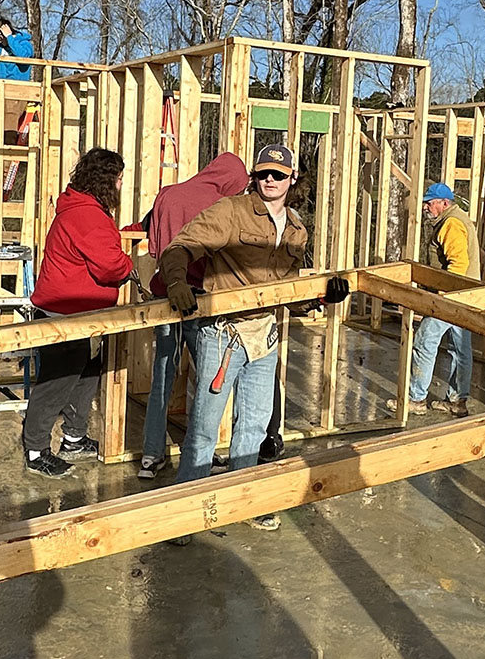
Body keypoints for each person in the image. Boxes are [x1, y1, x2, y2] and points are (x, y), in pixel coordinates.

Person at [158, 144, 348, 538]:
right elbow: (180, 246)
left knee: (255, 427)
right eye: (263, 174)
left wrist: (321, 296)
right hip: (222, 334)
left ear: (292, 179)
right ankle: (186, 509)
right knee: (204, 429)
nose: (269, 181)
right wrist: (176, 280)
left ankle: (239, 501)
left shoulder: (296, 229)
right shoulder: (231, 211)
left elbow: (287, 293)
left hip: (265, 335)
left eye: (278, 175)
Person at [138, 152, 249, 480]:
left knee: (163, 373)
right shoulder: (222, 206)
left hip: (165, 295)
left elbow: (156, 250)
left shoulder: (168, 194)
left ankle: (150, 455)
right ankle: (200, 455)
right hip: (202, 299)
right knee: (208, 381)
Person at [24, 148, 133, 478]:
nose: (120, 185)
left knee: (85, 376)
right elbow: (112, 266)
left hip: (79, 313)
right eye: (118, 179)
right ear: (106, 181)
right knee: (56, 383)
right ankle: (35, 448)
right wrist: (128, 264)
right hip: (65, 315)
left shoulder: (83, 209)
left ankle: (73, 437)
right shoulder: (88, 216)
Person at [387, 182, 480, 418]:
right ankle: (458, 400)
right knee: (461, 350)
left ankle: (416, 398)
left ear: (444, 203)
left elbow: (458, 265)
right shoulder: (455, 219)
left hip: (451, 297)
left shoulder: (451, 223)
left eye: (431, 203)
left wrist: (439, 300)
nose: (427, 207)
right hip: (466, 296)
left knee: (425, 341)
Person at [0, 16, 34, 81]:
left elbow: (24, 56)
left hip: (19, 86)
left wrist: (9, 38)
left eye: (0, 36)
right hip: (1, 84)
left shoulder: (24, 43)